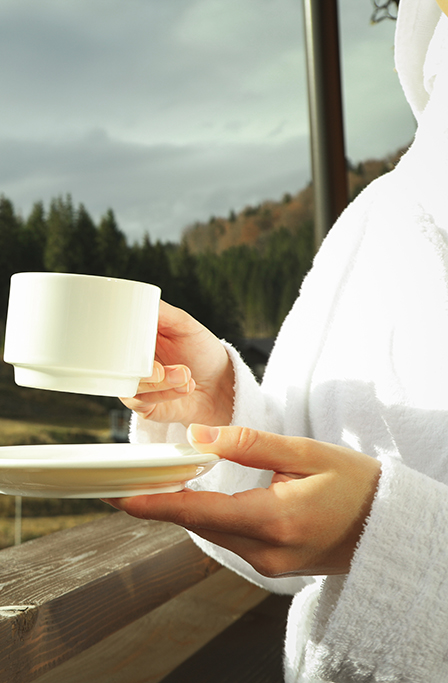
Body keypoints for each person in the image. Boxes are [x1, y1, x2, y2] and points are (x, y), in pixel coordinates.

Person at [107, 1, 448, 680]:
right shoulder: (377, 221)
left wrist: (387, 539)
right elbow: (299, 477)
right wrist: (217, 407)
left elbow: (358, 517)